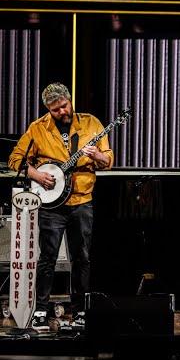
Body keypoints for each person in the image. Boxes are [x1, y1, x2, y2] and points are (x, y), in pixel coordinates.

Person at [8, 83, 113, 331]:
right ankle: (41, 310)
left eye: (64, 106)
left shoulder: (90, 124)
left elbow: (108, 160)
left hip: (81, 201)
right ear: (48, 109)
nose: (62, 112)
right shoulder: (38, 128)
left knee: (82, 258)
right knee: (47, 259)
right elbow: (15, 159)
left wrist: (96, 155)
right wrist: (35, 175)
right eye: (55, 110)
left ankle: (79, 311)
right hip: (51, 205)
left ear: (69, 100)